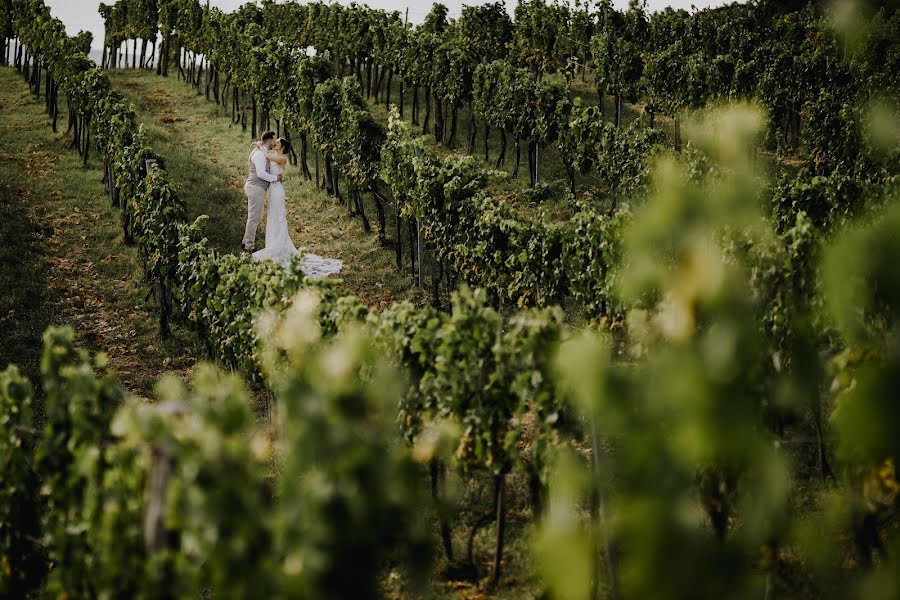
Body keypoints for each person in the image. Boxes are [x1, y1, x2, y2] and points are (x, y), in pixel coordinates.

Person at [251, 138, 342, 278]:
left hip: (277, 191)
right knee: (273, 217)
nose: (275, 143)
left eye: (277, 142)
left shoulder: (282, 158)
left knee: (278, 217)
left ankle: (278, 246)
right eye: (275, 142)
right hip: (273, 190)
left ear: (282, 147)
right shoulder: (275, 156)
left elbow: (265, 156)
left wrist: (260, 146)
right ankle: (273, 244)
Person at [242, 131, 281, 252]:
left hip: (256, 188)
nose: (273, 143)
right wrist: (275, 178)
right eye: (273, 141)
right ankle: (249, 246)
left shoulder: (261, 151)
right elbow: (261, 173)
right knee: (254, 218)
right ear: (269, 141)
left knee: (254, 217)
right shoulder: (259, 154)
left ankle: (245, 242)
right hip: (255, 188)